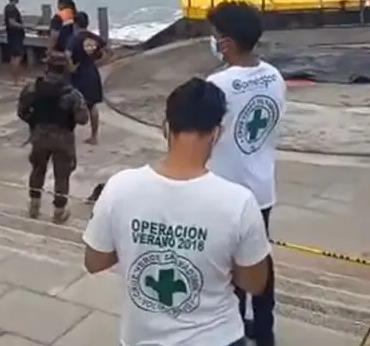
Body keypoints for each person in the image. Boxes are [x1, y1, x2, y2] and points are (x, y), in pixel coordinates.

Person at [82, 77, 272, 346]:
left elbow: (94, 261)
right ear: (217, 133)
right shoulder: (239, 202)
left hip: (140, 338)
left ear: (165, 127)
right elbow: (255, 282)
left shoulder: (119, 187)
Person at [205, 1, 285, 346]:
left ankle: (233, 332)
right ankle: (265, 333)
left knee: (227, 269)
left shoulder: (217, 84)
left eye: (214, 35)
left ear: (225, 43)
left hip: (225, 191)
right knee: (260, 259)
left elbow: (203, 135)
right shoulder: (274, 75)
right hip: (262, 188)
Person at [16, 52, 89, 224]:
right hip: (63, 138)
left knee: (37, 170)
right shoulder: (72, 94)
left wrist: (35, 122)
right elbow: (83, 119)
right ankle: (59, 212)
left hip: (39, 135)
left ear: (47, 67)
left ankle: (34, 206)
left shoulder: (32, 88)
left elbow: (21, 112)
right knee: (62, 176)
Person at [69, 11, 110, 145]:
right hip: (92, 72)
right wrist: (98, 63)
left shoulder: (75, 38)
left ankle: (70, 134)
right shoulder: (94, 37)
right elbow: (108, 51)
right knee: (92, 106)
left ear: (75, 24)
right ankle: (94, 136)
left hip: (79, 74)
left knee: (72, 104)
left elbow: (67, 54)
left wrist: (70, 68)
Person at [3, 0, 26, 85]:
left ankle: (17, 77)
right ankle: (15, 80)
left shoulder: (7, 7)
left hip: (13, 36)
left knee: (14, 57)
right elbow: (11, 22)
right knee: (17, 58)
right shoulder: (12, 9)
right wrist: (24, 26)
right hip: (15, 36)